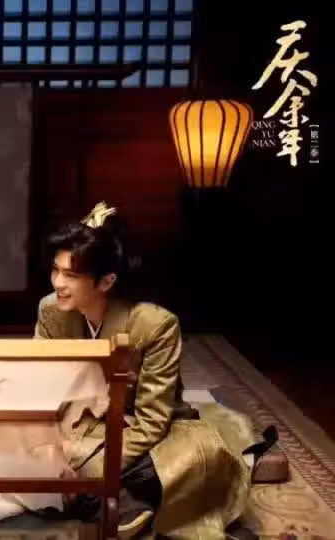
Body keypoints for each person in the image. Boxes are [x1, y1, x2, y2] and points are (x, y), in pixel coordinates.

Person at [33, 201, 259, 539]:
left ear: (106, 281)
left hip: (138, 428)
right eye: (55, 270)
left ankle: (103, 498)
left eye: (71, 275)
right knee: (9, 451)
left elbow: (152, 420)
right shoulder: (50, 311)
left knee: (198, 458)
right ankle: (115, 503)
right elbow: (40, 383)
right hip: (76, 423)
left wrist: (97, 469)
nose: (58, 283)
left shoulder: (155, 325)